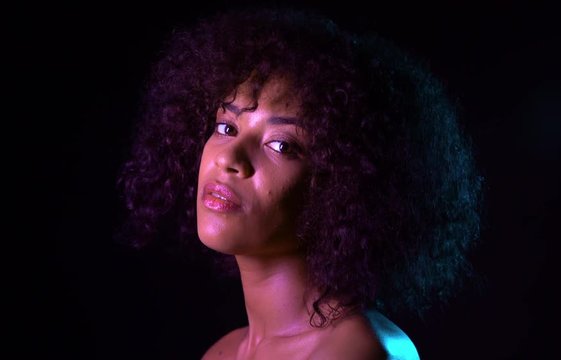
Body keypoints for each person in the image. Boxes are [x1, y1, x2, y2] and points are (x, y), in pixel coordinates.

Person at [118, 7, 482, 360]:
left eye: (281, 145)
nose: (229, 158)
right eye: (226, 127)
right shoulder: (220, 353)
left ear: (342, 184)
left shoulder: (361, 353)